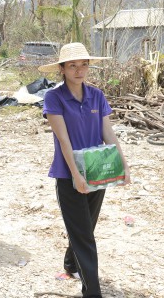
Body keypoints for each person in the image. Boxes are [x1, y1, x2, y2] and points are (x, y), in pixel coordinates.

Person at [39, 42, 130, 298]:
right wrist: (76, 176)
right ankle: (93, 292)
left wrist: (122, 165)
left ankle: (70, 264)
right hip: (69, 175)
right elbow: (63, 140)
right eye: (73, 66)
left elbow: (108, 133)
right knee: (85, 238)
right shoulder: (54, 97)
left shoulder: (97, 96)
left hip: (97, 170)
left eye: (84, 65)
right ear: (63, 69)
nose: (79, 70)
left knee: (85, 227)